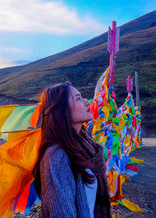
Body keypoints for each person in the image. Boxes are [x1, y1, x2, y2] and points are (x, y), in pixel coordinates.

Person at [32, 82, 112, 218]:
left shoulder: (86, 147)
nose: (86, 102)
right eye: (78, 98)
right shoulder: (57, 156)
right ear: (62, 109)